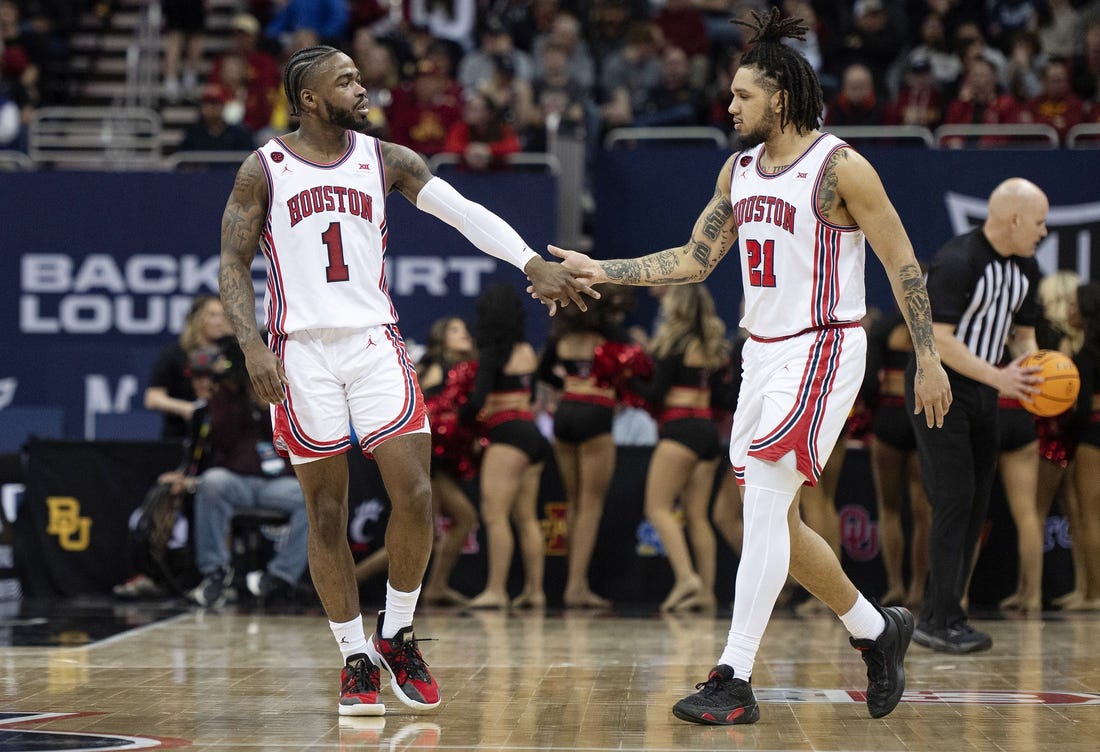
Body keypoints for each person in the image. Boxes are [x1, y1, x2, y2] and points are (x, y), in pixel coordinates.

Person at [544, 9, 952, 726]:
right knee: (774, 522)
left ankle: (734, 674)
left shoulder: (840, 167)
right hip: (761, 354)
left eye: (741, 96)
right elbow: (694, 260)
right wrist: (599, 269)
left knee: (764, 501)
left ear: (782, 99)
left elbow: (901, 260)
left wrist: (928, 356)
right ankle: (874, 628)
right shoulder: (736, 172)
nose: (728, 106)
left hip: (824, 346)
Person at [218, 44, 595, 717]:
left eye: (360, 76)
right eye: (347, 80)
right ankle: (353, 657)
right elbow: (232, 259)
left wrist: (530, 260)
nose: (363, 87)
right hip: (300, 351)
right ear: (308, 97)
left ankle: (397, 633)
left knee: (417, 494)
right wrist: (252, 345)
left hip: (372, 343)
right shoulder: (264, 168)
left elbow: (461, 211)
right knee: (326, 512)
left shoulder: (385, 158)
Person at [906, 177, 1047, 653]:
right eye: (1040, 222)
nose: (1045, 231)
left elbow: (1023, 335)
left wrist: (1033, 371)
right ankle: (934, 617)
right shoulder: (959, 259)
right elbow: (938, 338)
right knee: (953, 499)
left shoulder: (1026, 267)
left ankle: (950, 614)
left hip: (984, 387)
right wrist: (1000, 377)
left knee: (977, 503)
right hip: (939, 386)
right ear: (1013, 219)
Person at [355, 316, 481, 606]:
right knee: (419, 528)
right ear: (440, 337)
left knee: (460, 519)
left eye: (464, 330)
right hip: (426, 455)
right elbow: (424, 408)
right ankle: (352, 578)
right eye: (454, 329)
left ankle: (436, 586)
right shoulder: (437, 365)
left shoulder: (461, 368)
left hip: (441, 460)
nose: (464, 335)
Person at [185, 336, 311, 608]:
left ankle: (280, 576)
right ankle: (215, 572)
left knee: (313, 498)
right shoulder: (223, 395)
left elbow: (291, 434)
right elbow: (223, 438)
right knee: (211, 482)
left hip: (275, 483)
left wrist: (264, 401)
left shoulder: (282, 385)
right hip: (235, 480)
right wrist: (231, 391)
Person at [634, 283, 729, 613]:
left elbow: (656, 393)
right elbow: (721, 399)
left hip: (680, 430)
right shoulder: (711, 346)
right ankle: (707, 592)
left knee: (657, 507)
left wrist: (626, 379)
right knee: (698, 516)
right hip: (707, 432)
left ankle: (687, 577)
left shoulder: (673, 343)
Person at [536, 292, 625, 608]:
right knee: (590, 505)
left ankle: (572, 585)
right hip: (596, 411)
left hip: (566, 411)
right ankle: (576, 586)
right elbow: (632, 370)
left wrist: (566, 388)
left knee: (574, 502)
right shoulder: (611, 336)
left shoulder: (561, 338)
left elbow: (542, 372)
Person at [464, 284, 550, 609]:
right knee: (526, 517)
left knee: (495, 514)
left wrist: (458, 417)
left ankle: (496, 590)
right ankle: (535, 591)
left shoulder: (491, 353)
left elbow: (476, 401)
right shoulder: (526, 350)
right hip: (532, 434)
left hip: (507, 435)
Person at [865, 311, 931, 610]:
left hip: (889, 417)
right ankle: (918, 588)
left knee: (888, 508)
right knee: (923, 513)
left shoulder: (884, 328)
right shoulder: (933, 329)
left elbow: (867, 381)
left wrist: (872, 412)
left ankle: (895, 585)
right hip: (921, 416)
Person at [145, 295, 229, 441]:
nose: (220, 321)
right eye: (212, 315)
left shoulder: (231, 352)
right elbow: (153, 398)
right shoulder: (175, 354)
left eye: (223, 315)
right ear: (195, 319)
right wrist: (187, 409)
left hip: (225, 439)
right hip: (180, 436)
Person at [1070, 282, 1100, 611]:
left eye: (1075, 304)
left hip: (1093, 434)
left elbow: (1080, 411)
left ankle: (1094, 594)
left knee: (1091, 518)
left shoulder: (1085, 354)